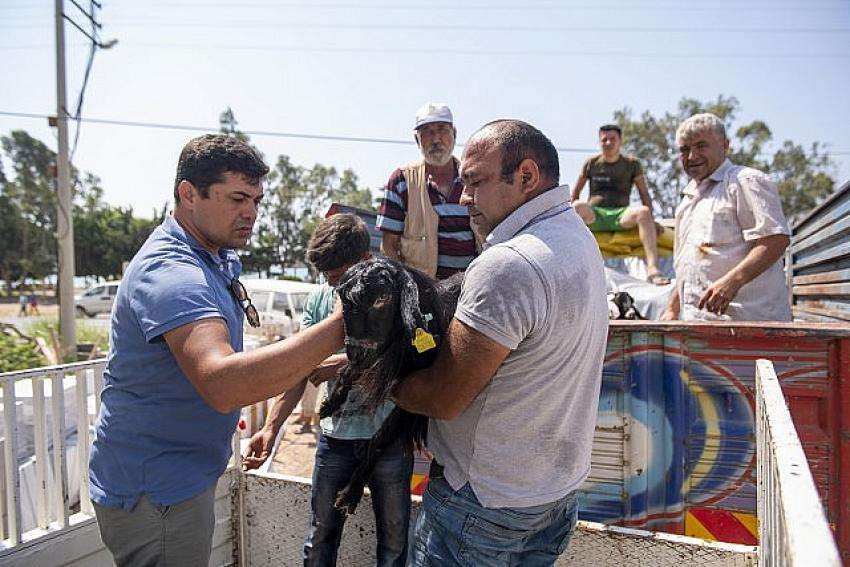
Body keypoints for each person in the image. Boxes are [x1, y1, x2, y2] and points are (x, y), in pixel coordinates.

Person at [88, 134, 345, 567]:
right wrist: (343, 323)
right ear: (188, 194)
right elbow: (222, 383)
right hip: (159, 490)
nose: (252, 213)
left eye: (258, 201)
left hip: (177, 478)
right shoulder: (172, 271)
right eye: (238, 199)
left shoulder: (212, 255)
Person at [393, 120, 609, 566]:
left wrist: (384, 381)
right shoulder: (577, 238)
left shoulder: (508, 265)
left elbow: (443, 398)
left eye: (474, 181)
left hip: (483, 505)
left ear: (526, 176)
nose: (463, 197)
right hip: (551, 497)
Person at [243, 213, 412, 566]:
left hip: (389, 438)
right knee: (319, 539)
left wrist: (338, 365)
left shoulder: (396, 293)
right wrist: (271, 428)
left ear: (366, 261)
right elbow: (299, 368)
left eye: (340, 277)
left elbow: (403, 362)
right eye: (327, 278)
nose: (334, 287)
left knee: (395, 544)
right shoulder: (320, 299)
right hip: (335, 440)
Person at [660, 113, 792, 321]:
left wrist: (732, 282)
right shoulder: (688, 201)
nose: (692, 156)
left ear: (725, 145)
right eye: (685, 150)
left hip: (751, 324)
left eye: (701, 146)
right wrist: (672, 309)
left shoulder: (745, 181)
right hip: (700, 325)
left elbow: (775, 239)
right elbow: (687, 264)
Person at [376, 102, 477, 279]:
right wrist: (404, 289)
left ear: (454, 134)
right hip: (423, 296)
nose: (436, 139)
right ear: (417, 140)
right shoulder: (402, 181)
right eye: (427, 132)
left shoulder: (474, 178)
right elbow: (388, 245)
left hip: (471, 290)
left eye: (442, 129)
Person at [571, 124, 669, 285]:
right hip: (595, 215)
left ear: (620, 141)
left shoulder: (632, 164)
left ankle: (652, 268)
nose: (608, 143)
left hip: (621, 215)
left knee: (643, 211)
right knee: (576, 207)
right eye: (604, 140)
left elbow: (644, 194)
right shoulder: (592, 163)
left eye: (612, 139)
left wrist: (652, 220)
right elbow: (575, 194)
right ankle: (573, 266)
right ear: (599, 142)